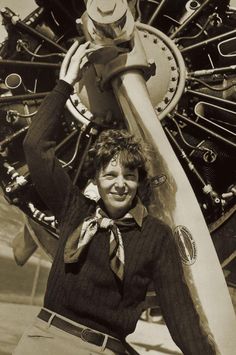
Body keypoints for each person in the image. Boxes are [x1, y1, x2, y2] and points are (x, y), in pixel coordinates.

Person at [13, 41, 216, 355]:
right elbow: (35, 148)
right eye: (110, 175)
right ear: (96, 180)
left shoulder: (156, 237)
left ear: (139, 182)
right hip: (46, 341)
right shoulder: (74, 208)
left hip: (106, 349)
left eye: (129, 175)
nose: (120, 184)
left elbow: (181, 316)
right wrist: (65, 85)